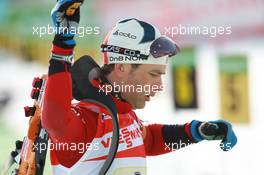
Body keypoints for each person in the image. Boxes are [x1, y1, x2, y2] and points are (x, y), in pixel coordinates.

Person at [42, 0, 237, 175]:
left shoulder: (123, 114)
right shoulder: (88, 118)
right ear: (122, 67)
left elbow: (149, 139)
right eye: (153, 75)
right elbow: (55, 121)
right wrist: (62, 46)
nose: (159, 86)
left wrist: (195, 132)